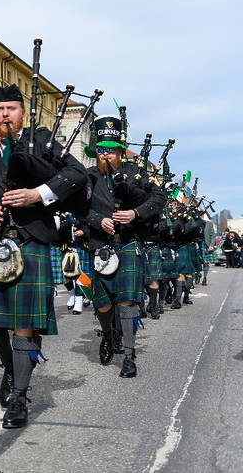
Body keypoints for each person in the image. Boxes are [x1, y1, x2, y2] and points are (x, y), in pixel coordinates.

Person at [0, 83, 86, 429]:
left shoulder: (41, 143)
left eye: (11, 109)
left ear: (22, 113)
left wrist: (37, 194)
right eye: (0, 110)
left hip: (31, 242)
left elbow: (76, 175)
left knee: (25, 326)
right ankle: (12, 365)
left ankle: (19, 398)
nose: (5, 115)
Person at [80, 115, 164, 378]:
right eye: (100, 150)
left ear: (120, 151)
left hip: (127, 244)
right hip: (100, 246)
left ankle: (129, 356)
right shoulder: (89, 177)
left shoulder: (134, 175)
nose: (105, 155)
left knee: (127, 304)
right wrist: (98, 220)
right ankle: (108, 335)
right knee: (103, 305)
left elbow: (158, 199)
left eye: (110, 150)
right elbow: (79, 210)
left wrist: (135, 214)